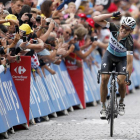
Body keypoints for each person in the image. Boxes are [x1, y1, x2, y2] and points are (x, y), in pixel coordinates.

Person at [93, 12, 136, 119]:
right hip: (109, 55)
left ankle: (121, 102)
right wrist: (110, 15)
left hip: (121, 60)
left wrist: (127, 78)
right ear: (120, 25)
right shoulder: (114, 27)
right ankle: (103, 107)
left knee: (121, 82)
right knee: (104, 78)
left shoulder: (129, 42)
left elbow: (130, 63)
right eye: (123, 26)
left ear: (131, 31)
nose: (124, 29)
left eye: (127, 28)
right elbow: (96, 19)